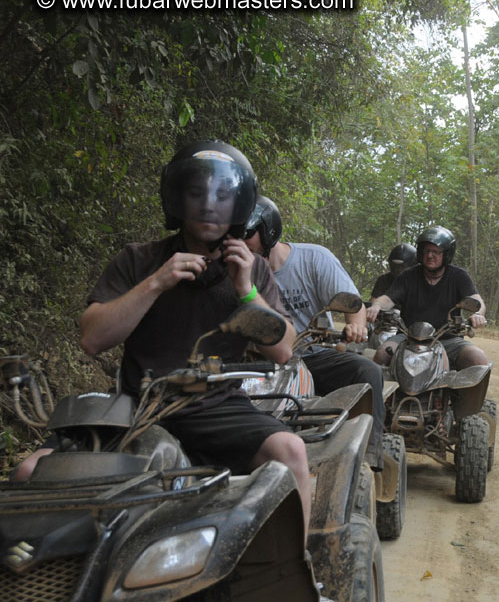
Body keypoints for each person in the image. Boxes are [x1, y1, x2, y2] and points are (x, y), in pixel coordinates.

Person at [13, 141, 313, 538]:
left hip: (217, 406)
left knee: (292, 452)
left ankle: (298, 575)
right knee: (29, 469)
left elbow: (282, 348)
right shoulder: (139, 260)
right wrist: (156, 283)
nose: (209, 205)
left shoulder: (253, 268)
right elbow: (92, 338)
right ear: (177, 200)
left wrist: (246, 291)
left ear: (238, 205)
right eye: (196, 193)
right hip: (137, 406)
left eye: (223, 195)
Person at [243, 195, 385, 469]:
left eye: (246, 234)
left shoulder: (314, 259)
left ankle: (369, 458)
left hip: (311, 351)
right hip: (254, 360)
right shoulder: (233, 268)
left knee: (369, 371)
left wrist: (356, 324)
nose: (239, 241)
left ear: (267, 231)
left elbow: (351, 302)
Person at [366, 226, 488, 369]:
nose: (430, 256)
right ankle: (381, 391)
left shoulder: (459, 276)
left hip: (448, 339)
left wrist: (478, 314)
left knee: (477, 358)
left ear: (447, 254)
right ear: (420, 253)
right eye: (427, 251)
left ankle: (460, 391)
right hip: (408, 337)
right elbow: (388, 298)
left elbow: (477, 301)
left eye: (436, 252)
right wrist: (377, 305)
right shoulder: (408, 276)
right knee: (382, 354)